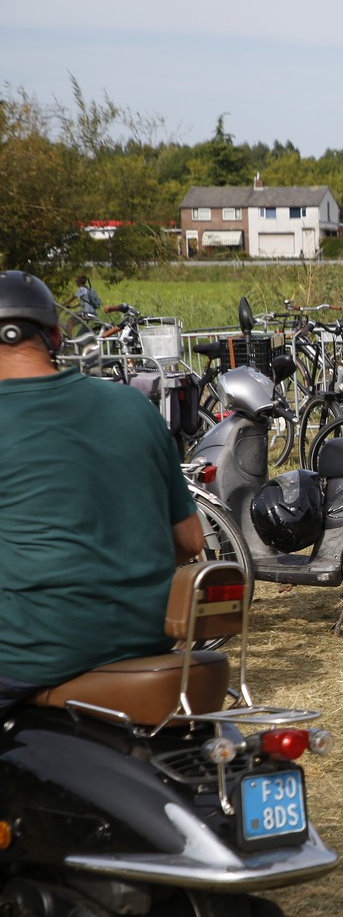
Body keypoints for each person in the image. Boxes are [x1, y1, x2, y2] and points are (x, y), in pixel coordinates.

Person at [0, 270, 203, 720]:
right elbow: (190, 541)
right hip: (146, 635)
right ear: (56, 335)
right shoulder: (133, 405)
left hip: (29, 650)